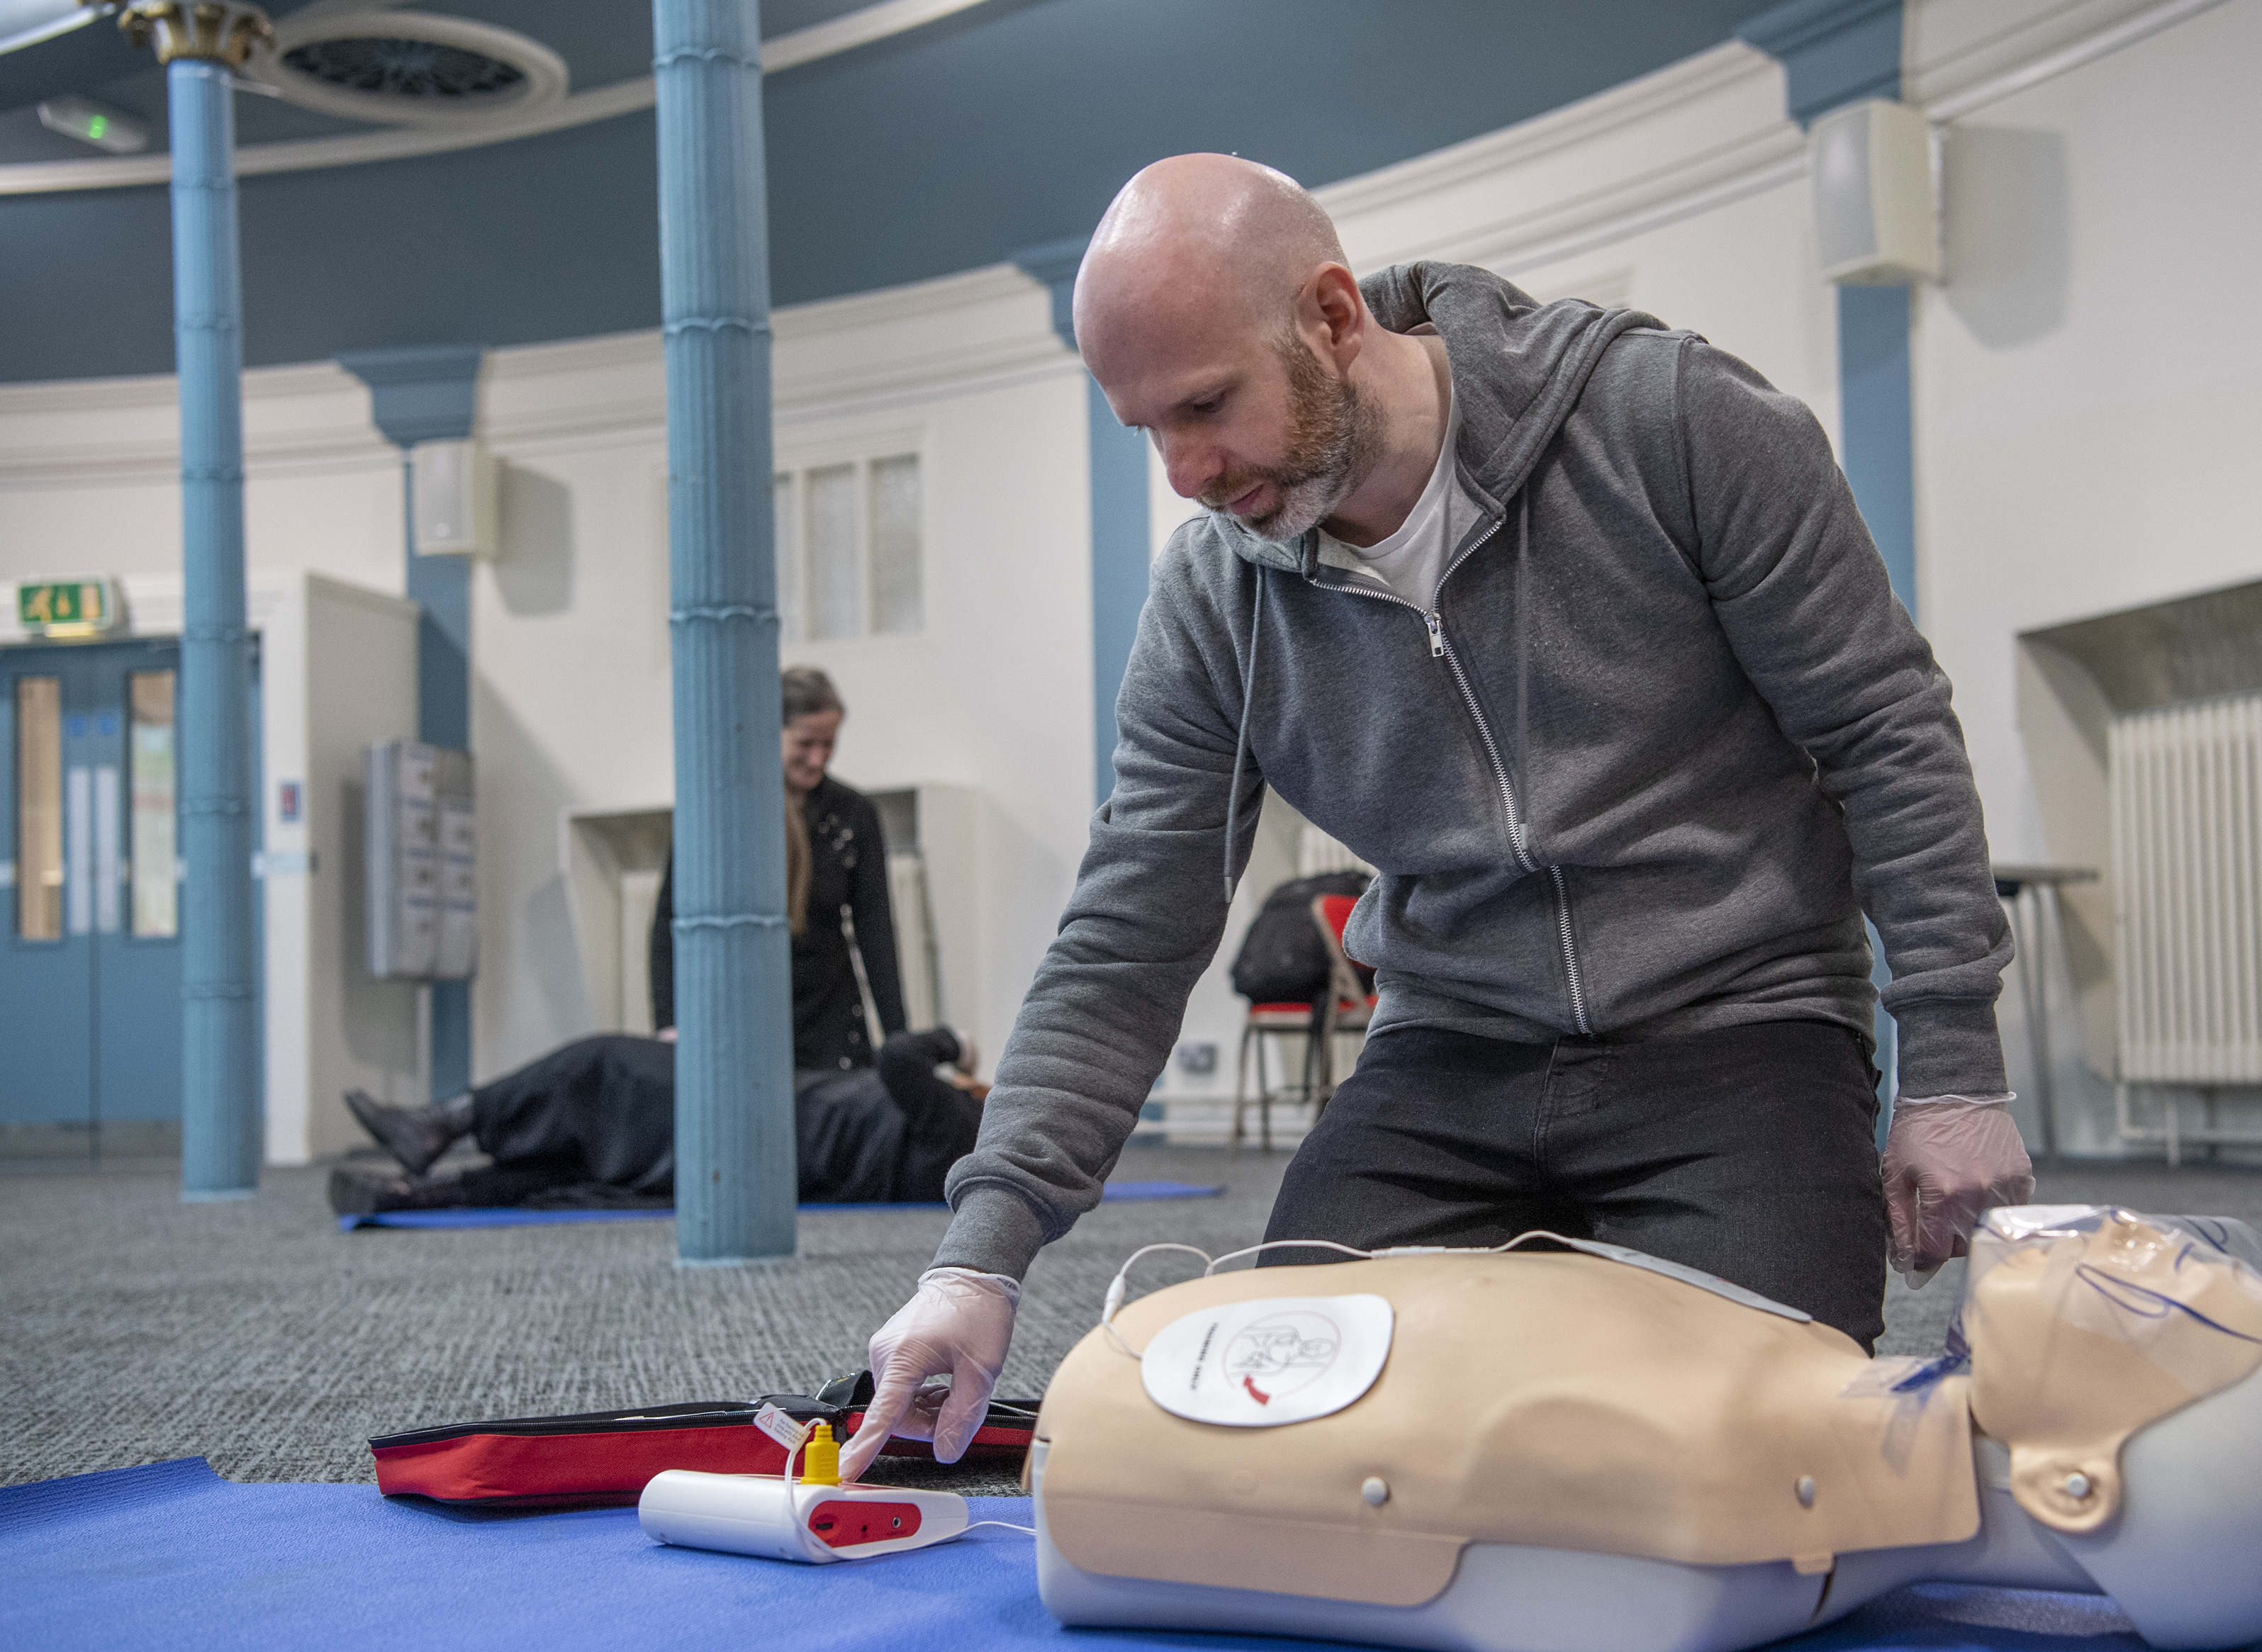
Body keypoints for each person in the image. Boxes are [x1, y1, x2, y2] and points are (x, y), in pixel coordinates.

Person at [841, 155, 2034, 1475]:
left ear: (1336, 318)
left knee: (1753, 1458)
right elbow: (1129, 927)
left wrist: (1954, 1065)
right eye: (1146, 430)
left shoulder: (1673, 420)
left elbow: (1885, 726)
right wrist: (981, 1259)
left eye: (1207, 405)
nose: (1186, 472)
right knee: (1288, 1440)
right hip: (1452, 1048)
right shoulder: (1214, 600)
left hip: (1741, 1028)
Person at [330, 1026, 983, 1215]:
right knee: (581, 1168)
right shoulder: (953, 1178)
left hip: (757, 1111)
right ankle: (413, 1193)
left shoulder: (963, 1129)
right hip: (765, 1168)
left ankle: (440, 1122)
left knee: (599, 1061)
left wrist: (953, 1043)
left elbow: (897, 1056)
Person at [653, 665, 907, 1072]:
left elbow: (875, 929)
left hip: (829, 1015)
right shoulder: (719, 809)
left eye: (829, 744)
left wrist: (899, 1039)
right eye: (805, 743)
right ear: (769, 733)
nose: (818, 759)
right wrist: (669, 1025)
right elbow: (671, 917)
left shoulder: (853, 814)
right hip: (743, 1009)